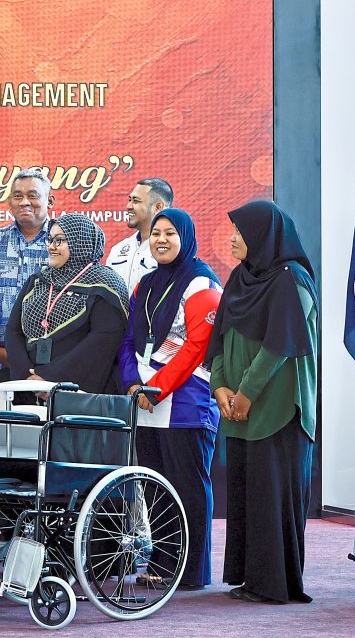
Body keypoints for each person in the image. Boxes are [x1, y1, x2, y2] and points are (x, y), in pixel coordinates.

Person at [208, 201, 317, 605]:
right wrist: (220, 387)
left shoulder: (293, 280)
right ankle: (251, 578)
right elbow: (219, 340)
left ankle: (275, 584)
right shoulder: (240, 278)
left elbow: (279, 346)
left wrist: (247, 393)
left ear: (262, 236)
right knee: (247, 494)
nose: (233, 238)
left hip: (276, 410)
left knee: (273, 495)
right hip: (237, 408)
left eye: (239, 231)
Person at [117, 208, 221, 590]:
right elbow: (128, 339)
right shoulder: (144, 283)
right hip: (144, 399)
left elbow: (197, 346)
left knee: (188, 487)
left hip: (186, 402)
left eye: (170, 234)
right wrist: (132, 382)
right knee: (157, 487)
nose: (160, 240)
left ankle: (191, 571)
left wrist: (156, 387)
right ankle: (162, 563)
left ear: (187, 238)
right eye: (156, 233)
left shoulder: (201, 282)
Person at [6, 213, 130, 394]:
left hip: (78, 393)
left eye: (59, 241)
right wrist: (28, 378)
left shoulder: (106, 284)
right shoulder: (39, 280)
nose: (51, 247)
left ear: (80, 242)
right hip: (29, 386)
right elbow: (13, 330)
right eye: (50, 240)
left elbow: (101, 342)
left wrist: (49, 378)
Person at [0, 168, 53, 385]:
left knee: (49, 420)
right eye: (18, 196)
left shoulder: (63, 242)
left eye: (33, 195)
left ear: (50, 200)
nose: (24, 202)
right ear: (10, 203)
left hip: (54, 367)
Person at [106, 178, 173, 293]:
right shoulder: (118, 250)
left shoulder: (174, 251)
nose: (128, 206)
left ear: (158, 207)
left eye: (136, 201)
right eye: (129, 200)